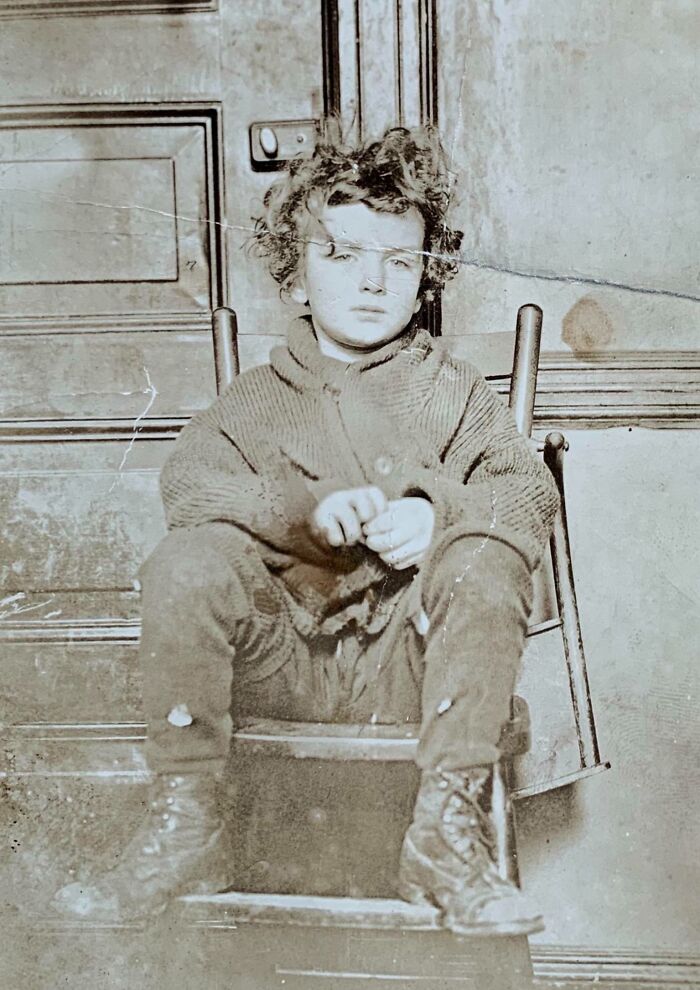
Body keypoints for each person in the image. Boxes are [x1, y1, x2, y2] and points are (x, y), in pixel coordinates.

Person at [53, 125, 560, 933]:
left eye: (400, 262)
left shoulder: (454, 392)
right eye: (343, 255)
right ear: (294, 274)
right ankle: (188, 815)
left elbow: (527, 491)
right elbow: (188, 485)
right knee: (188, 558)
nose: (373, 282)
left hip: (415, 666)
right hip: (278, 658)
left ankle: (446, 829)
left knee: (489, 556)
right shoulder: (255, 399)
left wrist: (437, 515)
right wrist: (300, 519)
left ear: (426, 277)